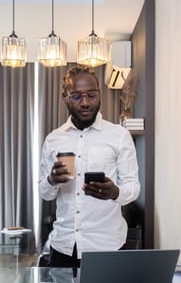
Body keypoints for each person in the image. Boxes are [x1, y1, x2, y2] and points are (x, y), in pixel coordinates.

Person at [39, 65, 140, 267]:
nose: (85, 103)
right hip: (63, 245)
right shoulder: (53, 139)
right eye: (76, 96)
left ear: (99, 95)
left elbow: (133, 187)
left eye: (91, 95)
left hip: (106, 246)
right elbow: (46, 193)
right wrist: (51, 180)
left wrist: (115, 192)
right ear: (64, 97)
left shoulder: (119, 136)